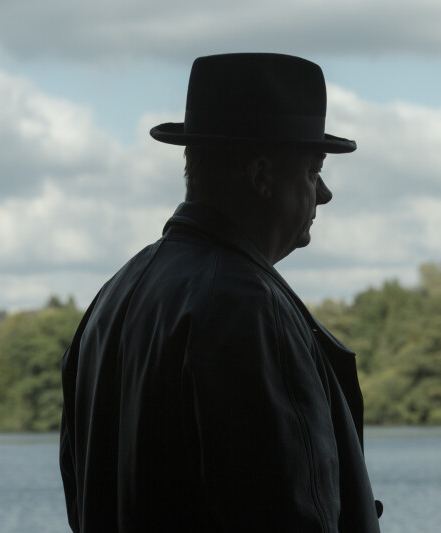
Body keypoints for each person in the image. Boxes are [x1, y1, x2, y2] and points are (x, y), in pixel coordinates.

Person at [59, 53, 382, 532]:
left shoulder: (111, 300)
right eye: (313, 171)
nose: (324, 194)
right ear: (262, 176)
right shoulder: (248, 308)